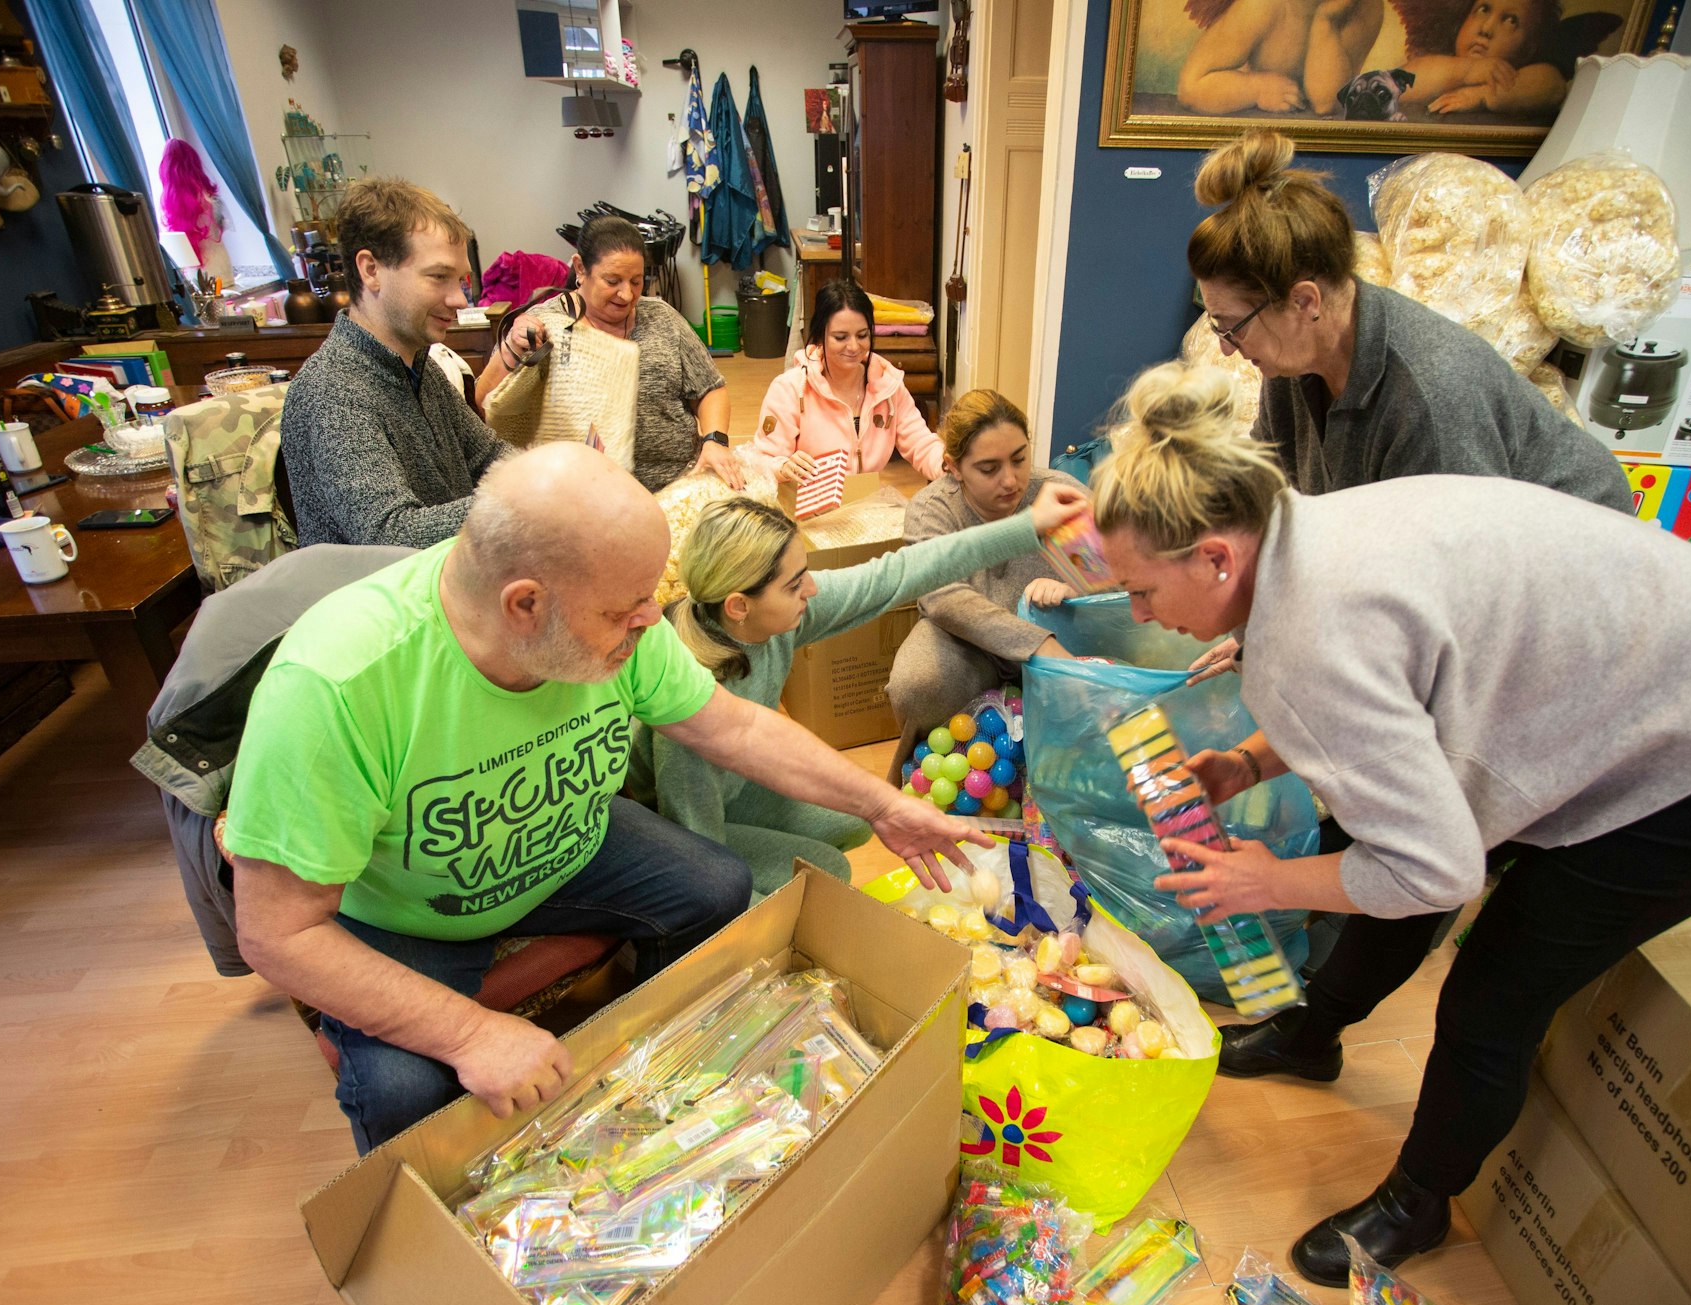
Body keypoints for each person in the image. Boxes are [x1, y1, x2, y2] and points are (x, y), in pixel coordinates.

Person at [1091, 363, 1691, 1287]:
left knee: (1498, 983)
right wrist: (1252, 759)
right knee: (1382, 851)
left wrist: (1263, 882)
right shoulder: (1296, 527)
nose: (1135, 614)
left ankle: (1420, 1200)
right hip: (1641, 667)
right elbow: (1396, 697)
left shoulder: (1308, 635)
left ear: (1215, 557)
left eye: (1140, 592)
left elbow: (1436, 873)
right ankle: (1313, 1031)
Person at [222, 444, 982, 1153]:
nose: (652, 623)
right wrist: (468, 1035)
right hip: (412, 909)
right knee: (405, 1094)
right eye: (625, 611)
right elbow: (275, 933)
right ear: (525, 605)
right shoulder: (337, 686)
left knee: (717, 886)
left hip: (565, 840)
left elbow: (733, 730)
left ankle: (658, 1069)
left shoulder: (617, 617)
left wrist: (882, 806)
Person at [1181, 128, 1629, 684]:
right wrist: (1256, 633)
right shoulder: (1295, 363)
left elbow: (1442, 600)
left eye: (1232, 327)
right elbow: (1267, 507)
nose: (1225, 346)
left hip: (1560, 575)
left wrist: (1291, 650)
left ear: (1304, 301)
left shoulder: (1431, 396)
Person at [632, 479, 1088, 898]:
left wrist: (1027, 526)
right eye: (795, 585)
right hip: (679, 822)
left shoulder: (770, 616)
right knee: (823, 869)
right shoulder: (687, 709)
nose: (812, 589)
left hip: (737, 784)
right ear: (738, 606)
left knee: (852, 822)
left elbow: (902, 572)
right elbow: (701, 859)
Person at [281, 178, 512, 548]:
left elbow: (486, 456)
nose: (459, 299)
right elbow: (390, 534)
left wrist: (552, 473)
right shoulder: (331, 391)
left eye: (461, 281)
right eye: (439, 277)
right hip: (378, 599)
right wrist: (525, 501)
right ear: (371, 269)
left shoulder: (418, 365)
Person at [885, 390, 1083, 768]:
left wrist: (1075, 590)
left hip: (1060, 640)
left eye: (1020, 459)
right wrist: (1035, 644)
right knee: (919, 682)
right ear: (953, 467)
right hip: (968, 647)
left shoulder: (1060, 494)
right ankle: (936, 767)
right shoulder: (932, 509)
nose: (1010, 480)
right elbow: (943, 598)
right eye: (989, 469)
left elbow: (1123, 579)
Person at [477, 215, 741, 494]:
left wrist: (714, 441)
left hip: (677, 484)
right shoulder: (544, 326)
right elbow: (485, 402)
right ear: (580, 268)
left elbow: (710, 389)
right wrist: (512, 348)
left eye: (636, 281)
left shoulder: (662, 319)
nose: (626, 295)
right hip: (579, 498)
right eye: (612, 280)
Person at [752, 279, 945, 484]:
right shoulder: (789, 389)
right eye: (840, 337)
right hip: (804, 506)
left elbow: (922, 444)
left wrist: (951, 466)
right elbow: (761, 459)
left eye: (862, 335)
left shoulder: (887, 386)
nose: (854, 347)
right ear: (820, 336)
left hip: (862, 503)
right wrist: (782, 467)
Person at [1177, 0, 1385, 117]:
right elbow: (1191, 87)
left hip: (1319, 147)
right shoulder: (1261, 6)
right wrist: (1256, 89)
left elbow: (1327, 102)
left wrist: (1325, 21)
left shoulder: (1364, 7)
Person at [1398, 0, 1569, 118]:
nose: (1486, 29)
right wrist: (1467, 70)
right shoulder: (1436, 66)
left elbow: (1553, 86)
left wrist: (1481, 96)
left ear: (1528, 47)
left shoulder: (1528, 79)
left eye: (1510, 21)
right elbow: (1396, 83)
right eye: (1483, 9)